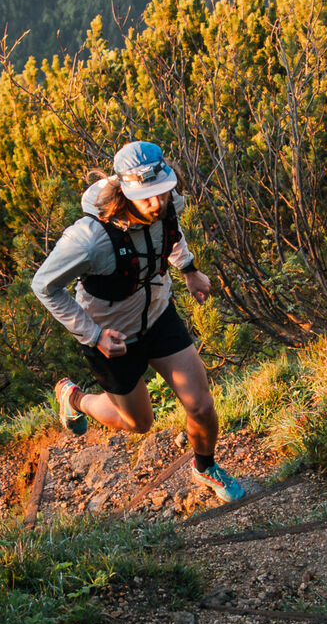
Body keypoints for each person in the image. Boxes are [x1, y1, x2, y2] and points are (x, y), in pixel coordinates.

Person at [30, 139, 245, 504]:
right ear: (125, 190)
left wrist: (189, 269)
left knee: (201, 405)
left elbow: (171, 234)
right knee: (138, 423)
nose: (156, 203)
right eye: (147, 196)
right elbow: (44, 286)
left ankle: (204, 466)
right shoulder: (88, 239)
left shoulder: (165, 202)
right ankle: (75, 398)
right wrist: (93, 335)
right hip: (113, 338)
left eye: (162, 192)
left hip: (159, 315)